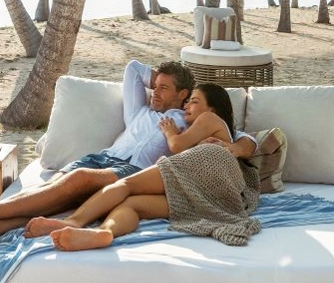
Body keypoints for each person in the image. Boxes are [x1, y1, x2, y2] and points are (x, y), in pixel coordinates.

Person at [0, 61, 255, 247]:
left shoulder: (188, 120)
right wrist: (159, 79)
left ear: (184, 94)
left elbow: (239, 138)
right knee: (53, 195)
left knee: (75, 183)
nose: (155, 93)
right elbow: (133, 69)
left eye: (164, 88)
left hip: (129, 170)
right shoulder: (141, 112)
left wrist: (234, 147)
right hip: (101, 158)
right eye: (155, 86)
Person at [22, 83, 261, 251]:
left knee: (125, 185)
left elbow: (177, 147)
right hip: (208, 198)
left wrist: (169, 132)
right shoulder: (212, 131)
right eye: (187, 102)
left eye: (194, 101)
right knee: (132, 205)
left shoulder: (208, 120)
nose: (187, 106)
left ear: (213, 109)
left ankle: (73, 222)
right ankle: (104, 232)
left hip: (207, 179)